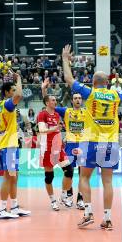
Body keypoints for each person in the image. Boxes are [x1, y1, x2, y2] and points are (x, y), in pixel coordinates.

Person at [62, 44, 122, 230]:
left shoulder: (91, 93)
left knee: (84, 178)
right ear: (108, 82)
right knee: (108, 182)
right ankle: (108, 218)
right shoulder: (115, 94)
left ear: (94, 82)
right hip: (111, 143)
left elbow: (69, 78)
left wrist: (65, 59)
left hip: (91, 142)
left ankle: (88, 213)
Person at [0, 73, 31, 219]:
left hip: (5, 145)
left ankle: (14, 207)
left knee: (14, 177)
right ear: (7, 92)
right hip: (9, 146)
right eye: (12, 90)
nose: (14, 93)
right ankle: (1, 209)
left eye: (14, 90)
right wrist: (19, 78)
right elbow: (19, 94)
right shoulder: (7, 104)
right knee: (8, 177)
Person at [42, 79, 85, 210]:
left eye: (79, 98)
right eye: (75, 98)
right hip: (71, 145)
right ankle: (68, 196)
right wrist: (44, 89)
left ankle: (80, 199)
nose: (77, 100)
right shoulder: (66, 111)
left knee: (83, 174)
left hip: (83, 145)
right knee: (69, 173)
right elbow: (49, 104)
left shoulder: (87, 113)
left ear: (82, 100)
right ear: (72, 101)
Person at [38, 80, 74, 211]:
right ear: (48, 103)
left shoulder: (58, 114)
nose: (55, 101)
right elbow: (42, 130)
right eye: (53, 100)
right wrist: (55, 128)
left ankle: (64, 195)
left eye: (55, 100)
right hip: (47, 148)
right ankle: (53, 200)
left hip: (58, 148)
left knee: (69, 171)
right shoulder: (42, 114)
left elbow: (46, 99)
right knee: (49, 177)